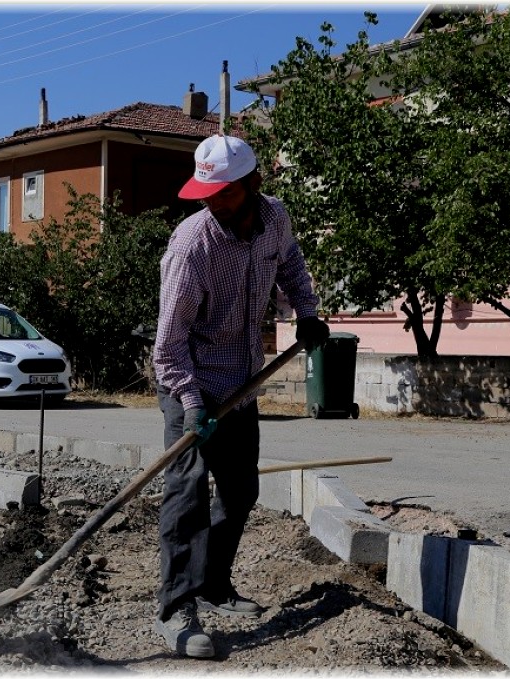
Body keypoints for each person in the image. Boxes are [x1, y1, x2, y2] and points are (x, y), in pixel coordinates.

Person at [151, 134, 331, 658]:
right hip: (188, 380)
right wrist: (189, 403)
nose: (211, 201)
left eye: (223, 192)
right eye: (205, 191)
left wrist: (307, 311)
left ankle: (213, 583)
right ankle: (176, 608)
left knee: (240, 490)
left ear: (253, 184)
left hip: (241, 379)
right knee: (186, 494)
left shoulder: (274, 218)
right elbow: (168, 345)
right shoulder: (192, 248)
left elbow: (291, 262)